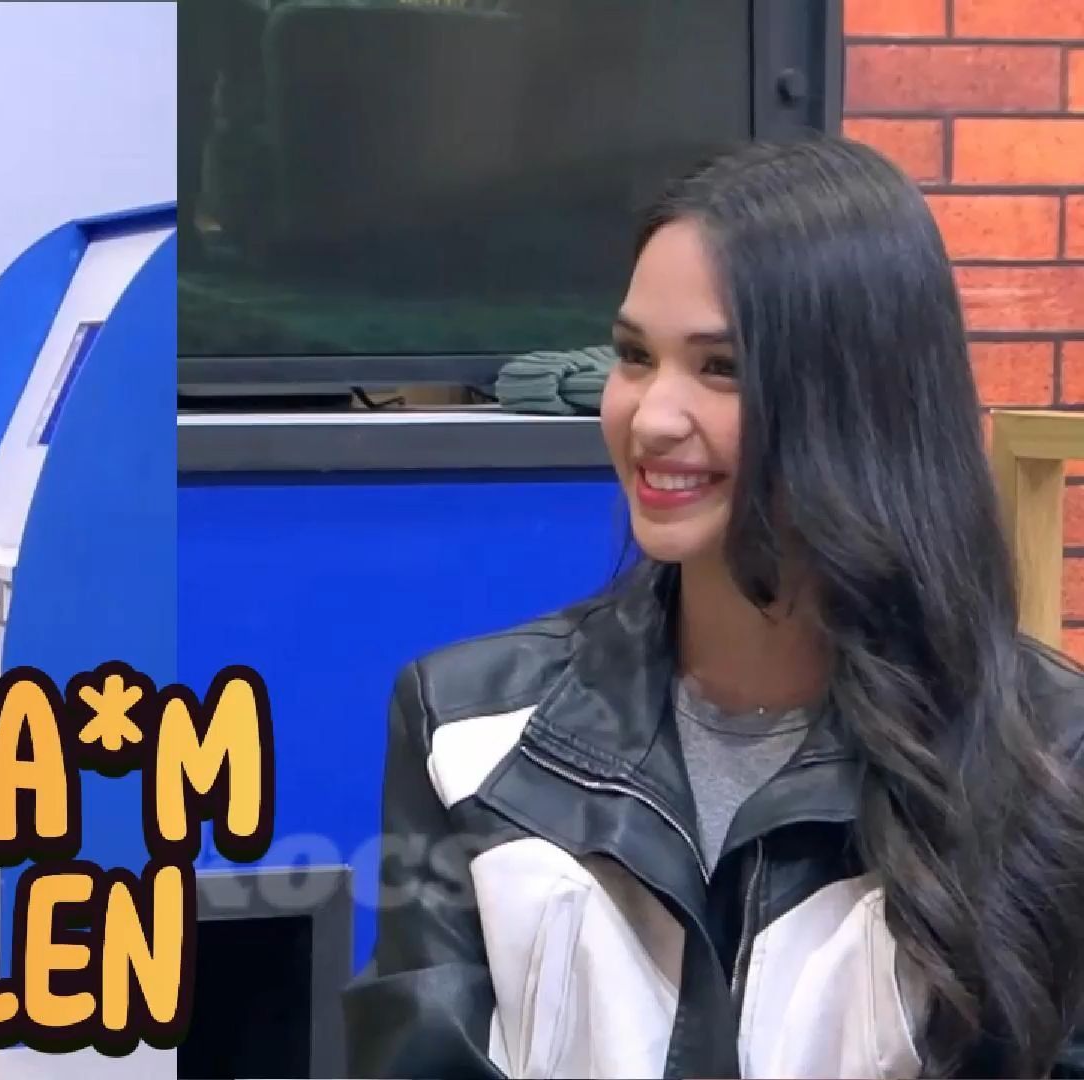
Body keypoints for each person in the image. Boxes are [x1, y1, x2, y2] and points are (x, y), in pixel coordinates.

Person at [342, 135, 1084, 1079]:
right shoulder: (461, 727)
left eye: (721, 367)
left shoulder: (1052, 760)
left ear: (863, 398)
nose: (651, 417)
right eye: (634, 356)